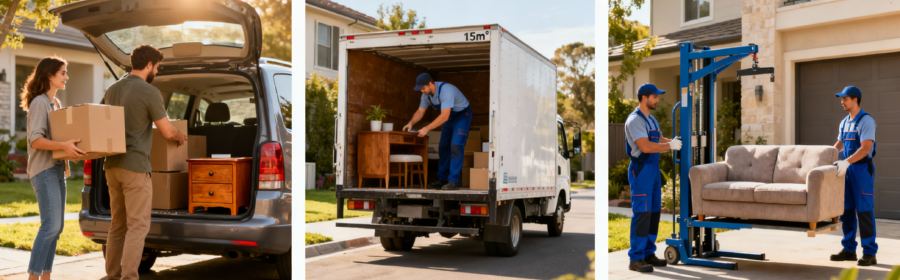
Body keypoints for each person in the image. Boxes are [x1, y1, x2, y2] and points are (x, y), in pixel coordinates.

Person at [102, 45, 187, 280]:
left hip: (112, 166)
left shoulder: (112, 89)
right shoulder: (149, 92)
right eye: (157, 67)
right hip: (135, 167)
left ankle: (112, 275)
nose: (157, 72)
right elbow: (167, 131)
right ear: (149, 64)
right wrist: (180, 135)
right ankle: (129, 277)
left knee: (118, 224)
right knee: (138, 226)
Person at [22, 56, 85, 280]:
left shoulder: (56, 103)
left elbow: (59, 139)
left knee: (56, 229)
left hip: (58, 170)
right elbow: (36, 141)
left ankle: (46, 277)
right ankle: (33, 277)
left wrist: (71, 150)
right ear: (50, 76)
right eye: (63, 73)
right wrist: (62, 146)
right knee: (50, 226)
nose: (67, 77)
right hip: (44, 170)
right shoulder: (39, 102)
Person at [624, 83, 682, 273]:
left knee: (654, 213)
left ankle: (648, 253)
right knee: (642, 213)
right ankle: (636, 258)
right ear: (644, 98)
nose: (657, 99)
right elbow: (646, 147)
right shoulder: (634, 120)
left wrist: (675, 141)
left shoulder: (652, 120)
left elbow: (659, 139)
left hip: (653, 170)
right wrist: (670, 147)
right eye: (654, 96)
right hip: (641, 171)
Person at [831, 85, 878, 266]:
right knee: (847, 211)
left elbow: (865, 148)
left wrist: (846, 162)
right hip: (847, 171)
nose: (842, 101)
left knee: (864, 211)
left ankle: (869, 253)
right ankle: (849, 250)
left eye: (845, 98)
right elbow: (839, 144)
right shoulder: (844, 122)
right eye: (841, 98)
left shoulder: (866, 121)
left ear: (855, 100)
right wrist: (825, 155)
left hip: (861, 171)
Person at [402, 73, 471, 190]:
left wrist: (427, 128)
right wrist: (410, 123)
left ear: (430, 83)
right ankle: (443, 179)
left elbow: (444, 116)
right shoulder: (426, 95)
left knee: (455, 147)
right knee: (443, 147)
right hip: (449, 118)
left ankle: (454, 181)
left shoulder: (446, 90)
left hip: (461, 117)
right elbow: (420, 112)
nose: (421, 91)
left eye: (423, 88)